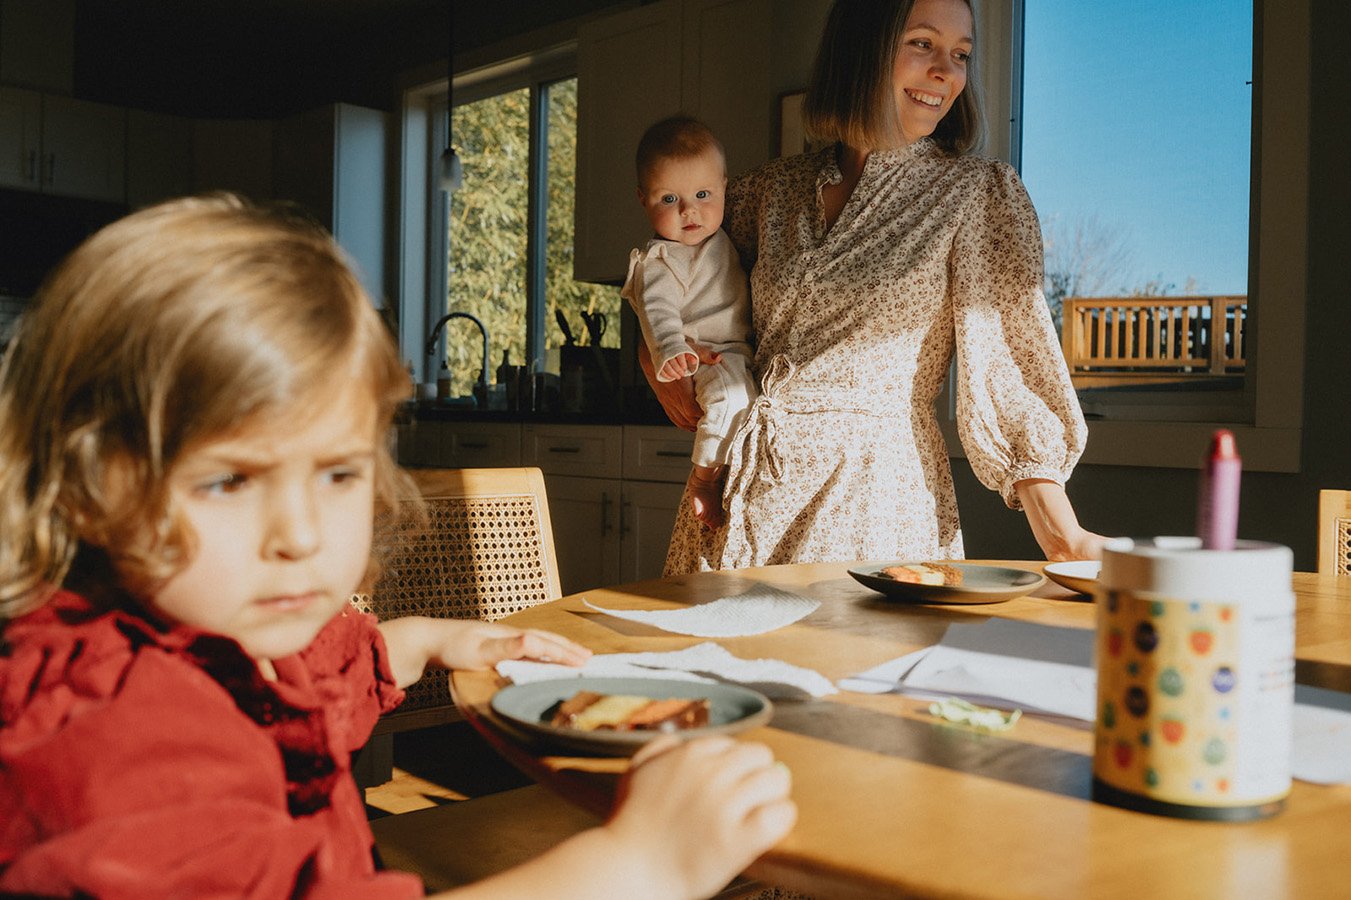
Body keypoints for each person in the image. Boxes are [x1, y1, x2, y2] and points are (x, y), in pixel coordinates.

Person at [0, 195, 795, 898]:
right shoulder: (125, 743)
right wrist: (637, 867)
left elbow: (297, 684)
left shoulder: (211, 630)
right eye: (229, 482)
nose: (302, 536)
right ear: (90, 488)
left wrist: (421, 641)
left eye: (338, 474)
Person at [643, 0, 1105, 574]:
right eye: (922, 44)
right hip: (740, 493)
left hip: (869, 501)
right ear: (864, 47)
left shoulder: (974, 194)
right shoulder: (768, 191)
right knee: (706, 660)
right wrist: (651, 356)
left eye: (961, 55)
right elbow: (674, 273)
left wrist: (1063, 535)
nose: (946, 71)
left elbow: (1013, 372)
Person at [622, 115, 756, 530]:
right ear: (643, 199)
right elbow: (658, 311)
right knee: (731, 402)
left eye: (702, 194)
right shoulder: (660, 262)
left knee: (743, 407)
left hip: (741, 349)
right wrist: (672, 352)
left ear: (724, 189)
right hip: (705, 356)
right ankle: (703, 479)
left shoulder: (722, 235)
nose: (689, 211)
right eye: (669, 200)